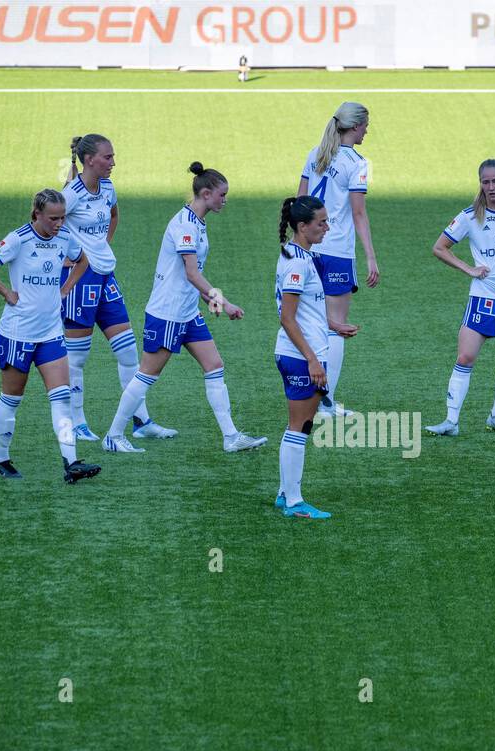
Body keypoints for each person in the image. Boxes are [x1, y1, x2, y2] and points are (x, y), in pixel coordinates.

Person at [102, 162, 266, 454]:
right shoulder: (185, 226)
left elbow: (192, 273)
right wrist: (224, 303)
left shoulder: (198, 223)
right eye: (222, 195)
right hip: (168, 313)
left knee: (214, 365)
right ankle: (113, 435)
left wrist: (209, 300)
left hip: (188, 312)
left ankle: (231, 437)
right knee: (147, 375)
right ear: (205, 194)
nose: (225, 200)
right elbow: (191, 273)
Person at [0, 189, 100, 484]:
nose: (59, 223)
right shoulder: (19, 239)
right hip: (17, 333)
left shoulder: (65, 238)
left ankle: (71, 461)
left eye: (62, 217)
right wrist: (6, 292)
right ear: (37, 215)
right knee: (12, 398)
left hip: (51, 332)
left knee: (61, 397)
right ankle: (0, 459)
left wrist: (65, 289)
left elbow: (83, 261)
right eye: (53, 218)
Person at [59, 134, 171, 445]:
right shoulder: (71, 193)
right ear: (90, 160)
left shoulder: (107, 187)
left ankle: (141, 420)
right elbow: (45, 221)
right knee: (77, 359)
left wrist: (100, 247)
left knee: (127, 352)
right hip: (80, 281)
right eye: (108, 157)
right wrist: (68, 258)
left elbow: (114, 215)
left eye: (113, 156)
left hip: (106, 275)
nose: (113, 162)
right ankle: (78, 423)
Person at [425, 159, 495, 436]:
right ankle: (451, 421)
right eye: (485, 182)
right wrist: (469, 269)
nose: (491, 187)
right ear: (480, 184)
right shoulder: (470, 216)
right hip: (483, 295)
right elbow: (440, 247)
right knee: (466, 356)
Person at [297, 101, 377, 417]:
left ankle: (309, 395)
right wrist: (370, 256)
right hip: (336, 252)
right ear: (355, 126)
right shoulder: (357, 163)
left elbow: (299, 201)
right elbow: (358, 212)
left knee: (310, 323)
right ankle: (325, 402)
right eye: (366, 125)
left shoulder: (315, 153)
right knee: (337, 327)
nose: (368, 130)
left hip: (307, 248)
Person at [274, 196, 333, 519]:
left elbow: (304, 310)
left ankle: (285, 493)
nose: (326, 227)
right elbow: (287, 317)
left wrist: (333, 324)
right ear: (302, 226)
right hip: (300, 355)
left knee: (298, 425)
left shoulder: (296, 255)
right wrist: (312, 359)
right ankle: (294, 502)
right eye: (321, 222)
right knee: (300, 427)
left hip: (299, 352)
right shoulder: (298, 262)